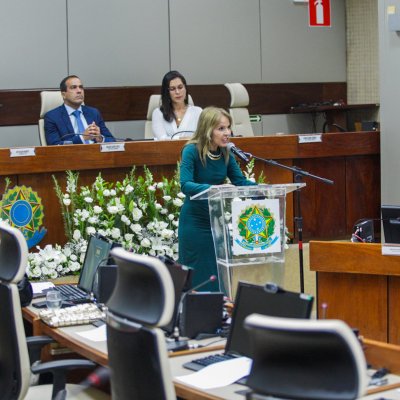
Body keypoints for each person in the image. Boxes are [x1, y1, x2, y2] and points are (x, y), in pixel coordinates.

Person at [179, 107, 257, 292]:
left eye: (228, 127)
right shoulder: (191, 150)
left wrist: (262, 189)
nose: (227, 133)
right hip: (195, 223)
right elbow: (185, 185)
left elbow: (240, 181)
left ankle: (218, 316)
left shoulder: (225, 153)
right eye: (221, 128)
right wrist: (215, 189)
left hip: (216, 221)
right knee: (199, 276)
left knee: (218, 275)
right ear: (208, 129)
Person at [44, 75, 115, 145]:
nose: (79, 91)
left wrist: (100, 139)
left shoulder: (93, 113)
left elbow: (112, 140)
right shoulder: (52, 117)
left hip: (95, 155)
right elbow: (54, 145)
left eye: (81, 87)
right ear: (63, 95)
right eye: (73, 87)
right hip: (71, 156)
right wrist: (82, 138)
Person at [152, 71, 202, 140]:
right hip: (167, 150)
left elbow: (203, 138)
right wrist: (184, 138)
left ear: (185, 88)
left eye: (180, 87)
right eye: (172, 89)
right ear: (167, 92)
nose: (177, 92)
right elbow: (162, 139)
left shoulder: (198, 112)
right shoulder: (158, 113)